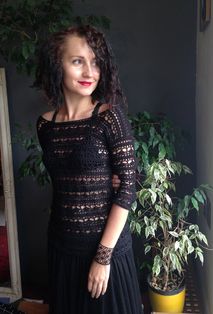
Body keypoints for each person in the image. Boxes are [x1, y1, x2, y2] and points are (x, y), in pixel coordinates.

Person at [35, 24, 143, 314]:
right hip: (62, 247)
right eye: (77, 61)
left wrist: (103, 257)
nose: (89, 72)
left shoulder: (109, 118)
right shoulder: (45, 125)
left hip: (104, 251)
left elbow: (128, 190)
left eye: (95, 62)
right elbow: (65, 185)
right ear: (57, 63)